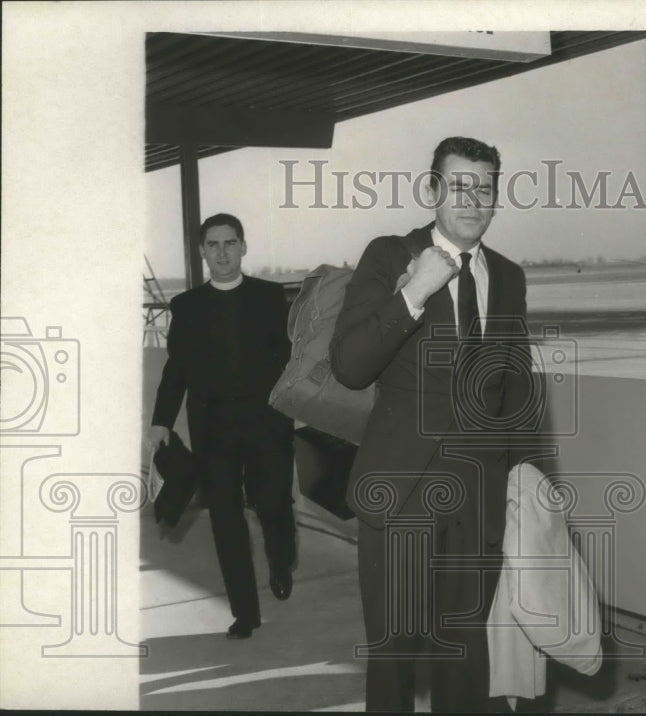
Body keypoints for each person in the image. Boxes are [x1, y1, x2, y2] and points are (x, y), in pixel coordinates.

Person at [331, 137, 537, 712]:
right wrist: (416, 289)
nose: (473, 200)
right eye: (459, 186)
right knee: (394, 655)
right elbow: (348, 367)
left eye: (485, 187)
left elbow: (515, 385)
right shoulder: (389, 256)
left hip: (479, 496)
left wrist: (527, 474)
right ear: (432, 190)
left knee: (468, 653)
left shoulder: (510, 276)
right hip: (400, 491)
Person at [145, 213, 296, 640]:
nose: (223, 252)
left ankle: (281, 559)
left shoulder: (270, 297)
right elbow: (177, 371)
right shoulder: (187, 306)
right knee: (226, 520)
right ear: (203, 251)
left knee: (273, 507)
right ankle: (244, 612)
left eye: (231, 243)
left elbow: (289, 358)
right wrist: (160, 422)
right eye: (214, 245)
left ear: (244, 247)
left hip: (268, 424)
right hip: (215, 431)